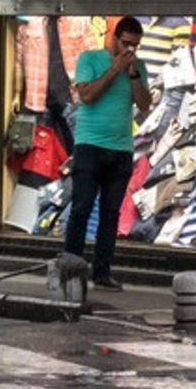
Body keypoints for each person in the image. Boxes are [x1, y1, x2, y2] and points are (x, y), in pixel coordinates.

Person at [64, 16, 152, 292]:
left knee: (110, 214)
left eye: (135, 46)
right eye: (126, 44)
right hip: (90, 146)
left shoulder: (138, 67)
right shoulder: (89, 59)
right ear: (114, 38)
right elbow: (87, 96)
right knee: (81, 209)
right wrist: (114, 70)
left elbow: (144, 104)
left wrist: (134, 73)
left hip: (121, 148)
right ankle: (72, 269)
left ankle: (102, 271)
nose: (130, 50)